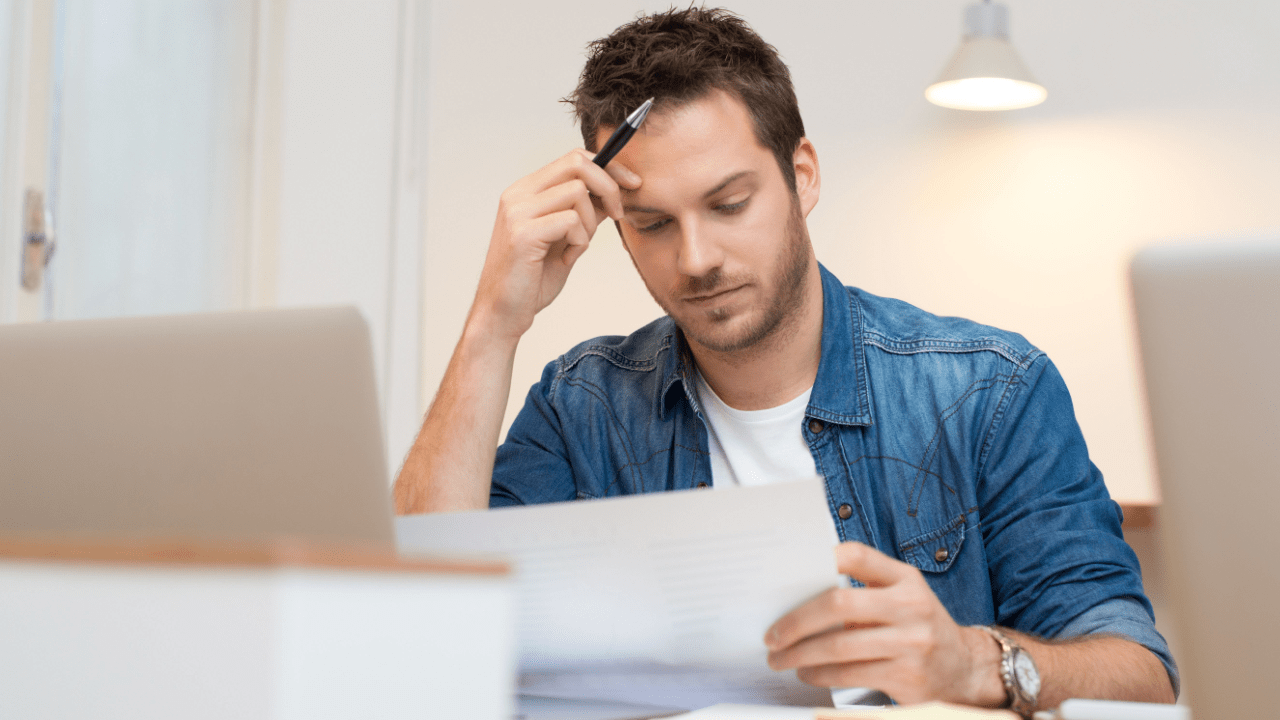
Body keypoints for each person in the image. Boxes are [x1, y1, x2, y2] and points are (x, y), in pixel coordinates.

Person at [393, 7, 1176, 714]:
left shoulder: (989, 391)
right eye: (654, 223)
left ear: (802, 176)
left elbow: (1141, 676)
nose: (696, 259)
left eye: (729, 204)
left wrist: (972, 664)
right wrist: (494, 323)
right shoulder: (582, 406)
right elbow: (416, 632)